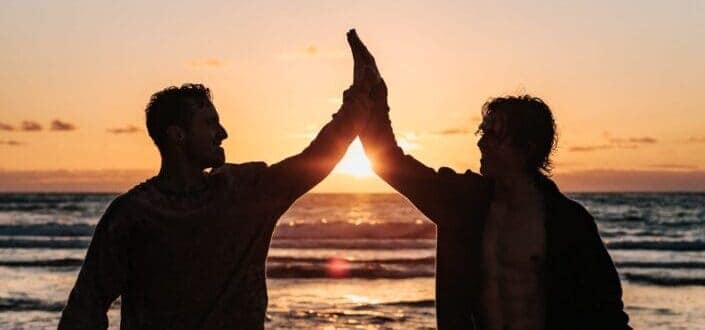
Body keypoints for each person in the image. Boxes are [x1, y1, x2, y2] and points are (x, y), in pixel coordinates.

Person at [58, 30, 375, 329]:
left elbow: (314, 160)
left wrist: (359, 99)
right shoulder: (134, 216)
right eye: (210, 123)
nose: (222, 133)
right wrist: (360, 102)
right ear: (177, 135)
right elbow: (85, 309)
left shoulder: (245, 190)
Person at [347, 31, 630, 329]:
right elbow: (388, 161)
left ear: (527, 147)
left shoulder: (569, 222)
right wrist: (374, 92)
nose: (482, 144)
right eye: (482, 134)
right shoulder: (460, 202)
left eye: (495, 136)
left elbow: (608, 315)